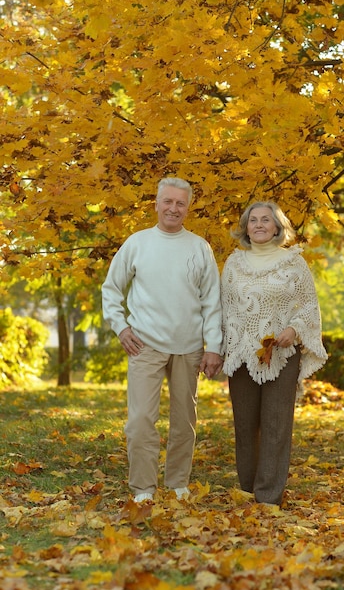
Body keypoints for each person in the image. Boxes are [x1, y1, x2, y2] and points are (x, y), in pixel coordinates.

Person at [102, 177, 223, 503]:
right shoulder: (137, 243)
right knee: (140, 420)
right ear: (156, 204)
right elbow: (111, 289)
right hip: (145, 343)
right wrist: (121, 327)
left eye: (180, 203)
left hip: (189, 347)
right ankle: (143, 488)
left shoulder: (200, 247)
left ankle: (177, 482)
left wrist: (214, 346)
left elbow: (212, 300)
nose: (173, 208)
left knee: (184, 420)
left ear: (187, 207)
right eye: (167, 202)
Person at [221, 201, 327, 506]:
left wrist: (294, 330)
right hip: (243, 353)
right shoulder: (234, 264)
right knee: (245, 423)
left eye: (265, 220)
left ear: (277, 226)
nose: (258, 225)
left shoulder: (293, 263)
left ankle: (268, 497)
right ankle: (248, 488)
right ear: (246, 228)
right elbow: (225, 309)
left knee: (276, 423)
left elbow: (309, 306)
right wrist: (221, 348)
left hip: (282, 355)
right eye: (252, 220)